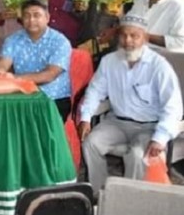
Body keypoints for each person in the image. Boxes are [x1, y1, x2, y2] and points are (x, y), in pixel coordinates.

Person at [78, 14, 183, 195]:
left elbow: (173, 106)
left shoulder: (159, 66)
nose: (128, 41)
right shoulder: (109, 61)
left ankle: (128, 199)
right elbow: (95, 91)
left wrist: (160, 137)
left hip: (149, 126)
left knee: (137, 155)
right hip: (117, 122)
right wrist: (86, 117)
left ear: (145, 38)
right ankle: (100, 194)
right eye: (123, 35)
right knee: (91, 143)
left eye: (134, 36)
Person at [0, 0, 73, 120]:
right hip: (21, 96)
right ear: (21, 19)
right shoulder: (13, 39)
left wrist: (13, 78)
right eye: (27, 16)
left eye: (36, 15)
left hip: (53, 99)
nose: (31, 20)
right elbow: (3, 62)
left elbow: (49, 75)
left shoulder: (60, 41)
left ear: (47, 17)